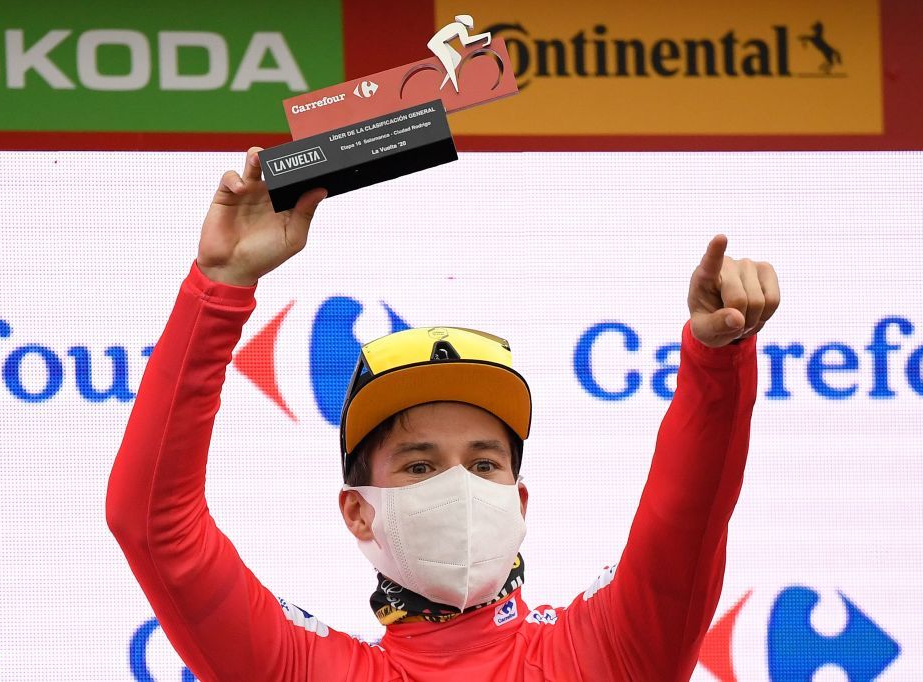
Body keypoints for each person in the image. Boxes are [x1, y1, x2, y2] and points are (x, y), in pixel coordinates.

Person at [107, 147, 780, 681]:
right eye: (420, 463)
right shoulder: (312, 671)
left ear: (518, 500)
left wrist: (716, 359)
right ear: (358, 510)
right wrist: (220, 288)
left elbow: (687, 517)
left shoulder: (606, 654)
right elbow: (152, 525)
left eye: (483, 463)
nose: (458, 486)